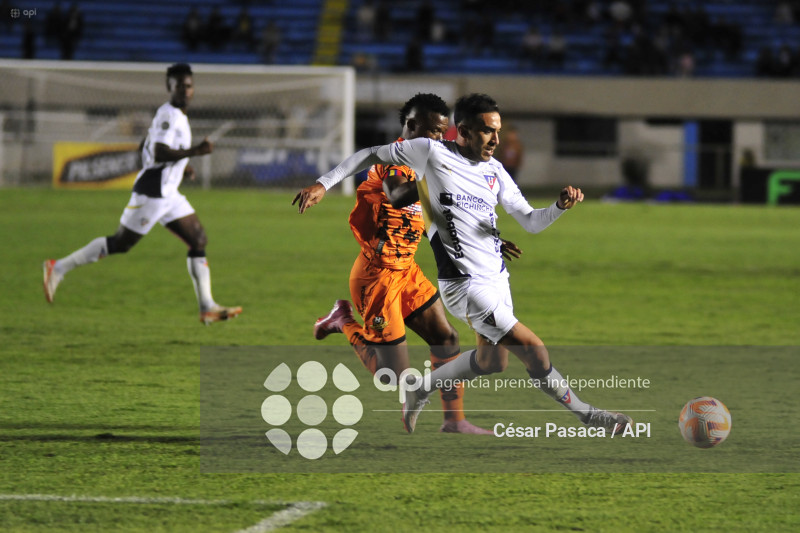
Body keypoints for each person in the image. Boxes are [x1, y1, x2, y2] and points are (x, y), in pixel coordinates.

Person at [294, 93, 632, 435]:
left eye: (498, 131)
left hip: (496, 278)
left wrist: (558, 207)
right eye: (488, 131)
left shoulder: (495, 170)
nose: (497, 140)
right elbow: (370, 156)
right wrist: (323, 184)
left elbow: (530, 221)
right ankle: (591, 417)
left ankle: (424, 391)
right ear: (464, 132)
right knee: (534, 351)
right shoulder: (428, 153)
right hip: (462, 284)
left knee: (492, 361)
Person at [298, 94, 521, 434]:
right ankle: (341, 320)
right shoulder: (397, 162)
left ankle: (454, 421)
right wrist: (325, 183)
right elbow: (397, 196)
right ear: (411, 126)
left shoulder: (433, 163)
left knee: (446, 338)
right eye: (432, 131)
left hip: (407, 271)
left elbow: (447, 218)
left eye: (442, 132)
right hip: (376, 274)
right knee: (394, 378)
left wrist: (488, 241)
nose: (438, 139)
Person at [43, 63, 242, 326]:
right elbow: (158, 152)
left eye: (189, 85)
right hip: (153, 193)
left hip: (168, 192)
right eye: (179, 85)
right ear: (169, 87)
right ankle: (57, 268)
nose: (185, 90)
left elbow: (146, 147)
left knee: (199, 238)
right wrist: (195, 151)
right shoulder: (170, 114)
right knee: (121, 244)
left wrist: (182, 166)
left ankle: (207, 307)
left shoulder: (173, 115)